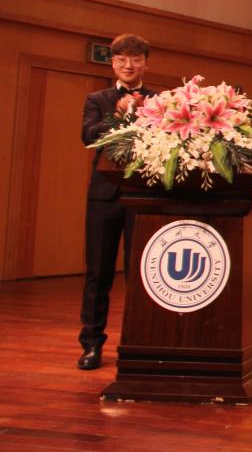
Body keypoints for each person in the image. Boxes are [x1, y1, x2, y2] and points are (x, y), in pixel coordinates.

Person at [78, 33, 154, 370]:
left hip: (144, 195)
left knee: (141, 274)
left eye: (135, 59)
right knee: (98, 274)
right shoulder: (98, 99)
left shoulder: (160, 100)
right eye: (122, 59)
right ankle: (91, 345)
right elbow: (88, 137)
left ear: (145, 64)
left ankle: (139, 343)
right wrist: (118, 117)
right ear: (113, 64)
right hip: (104, 196)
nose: (128, 65)